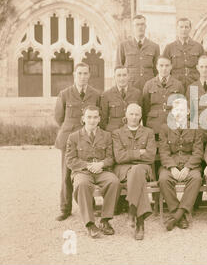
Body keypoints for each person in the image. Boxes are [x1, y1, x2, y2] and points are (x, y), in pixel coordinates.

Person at [54, 62, 101, 221]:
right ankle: (65, 208)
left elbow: (99, 116)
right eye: (79, 73)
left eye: (85, 73)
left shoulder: (95, 94)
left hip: (88, 139)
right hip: (69, 139)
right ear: (74, 74)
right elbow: (59, 118)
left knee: (88, 171)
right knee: (66, 174)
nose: (82, 76)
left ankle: (90, 203)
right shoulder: (65, 94)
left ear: (89, 75)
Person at [65, 105, 119, 238]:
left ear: (99, 119)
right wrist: (88, 165)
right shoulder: (73, 137)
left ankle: (105, 220)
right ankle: (89, 224)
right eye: (89, 117)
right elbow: (70, 160)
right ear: (83, 118)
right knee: (81, 185)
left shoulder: (107, 136)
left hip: (102, 171)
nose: (92, 120)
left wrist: (101, 164)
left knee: (114, 181)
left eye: (95, 117)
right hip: (82, 172)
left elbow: (111, 157)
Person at [158, 98, 203, 231]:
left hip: (190, 165)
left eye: (182, 110)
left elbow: (198, 152)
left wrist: (188, 167)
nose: (178, 113)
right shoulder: (165, 128)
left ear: (188, 112)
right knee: (163, 179)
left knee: (196, 178)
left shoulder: (195, 128)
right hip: (170, 165)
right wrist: (172, 167)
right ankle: (178, 213)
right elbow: (164, 152)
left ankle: (177, 216)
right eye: (176, 110)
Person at [112, 103, 156, 240]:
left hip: (144, 169)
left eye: (137, 114)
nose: (134, 117)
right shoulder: (117, 133)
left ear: (141, 116)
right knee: (137, 174)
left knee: (137, 171)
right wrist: (139, 153)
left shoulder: (149, 132)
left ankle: (132, 211)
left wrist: (130, 154)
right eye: (131, 114)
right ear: (126, 115)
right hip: (123, 170)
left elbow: (150, 156)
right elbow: (119, 157)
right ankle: (140, 223)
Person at [142, 56, 185, 136]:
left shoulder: (178, 85)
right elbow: (145, 109)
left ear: (171, 66)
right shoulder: (149, 85)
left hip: (172, 127)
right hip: (153, 127)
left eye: (167, 65)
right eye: (161, 65)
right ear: (156, 67)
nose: (164, 68)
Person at [116, 14, 160, 91]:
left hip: (149, 87)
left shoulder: (154, 46)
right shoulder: (123, 45)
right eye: (137, 25)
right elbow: (118, 68)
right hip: (130, 88)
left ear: (145, 26)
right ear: (133, 27)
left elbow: (157, 70)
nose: (140, 27)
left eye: (142, 24)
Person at [163, 18, 207, 89]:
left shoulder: (198, 47)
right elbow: (164, 68)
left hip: (194, 84)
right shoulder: (169, 47)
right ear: (177, 28)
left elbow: (205, 67)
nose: (184, 30)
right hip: (175, 85)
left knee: (193, 100)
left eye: (186, 27)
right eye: (181, 27)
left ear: (190, 29)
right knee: (177, 100)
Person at [100, 66, 142, 132]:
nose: (122, 78)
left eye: (124, 75)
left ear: (129, 76)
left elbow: (140, 115)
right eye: (119, 75)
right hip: (113, 133)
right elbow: (103, 119)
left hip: (131, 132)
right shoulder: (106, 95)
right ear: (114, 77)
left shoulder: (137, 93)